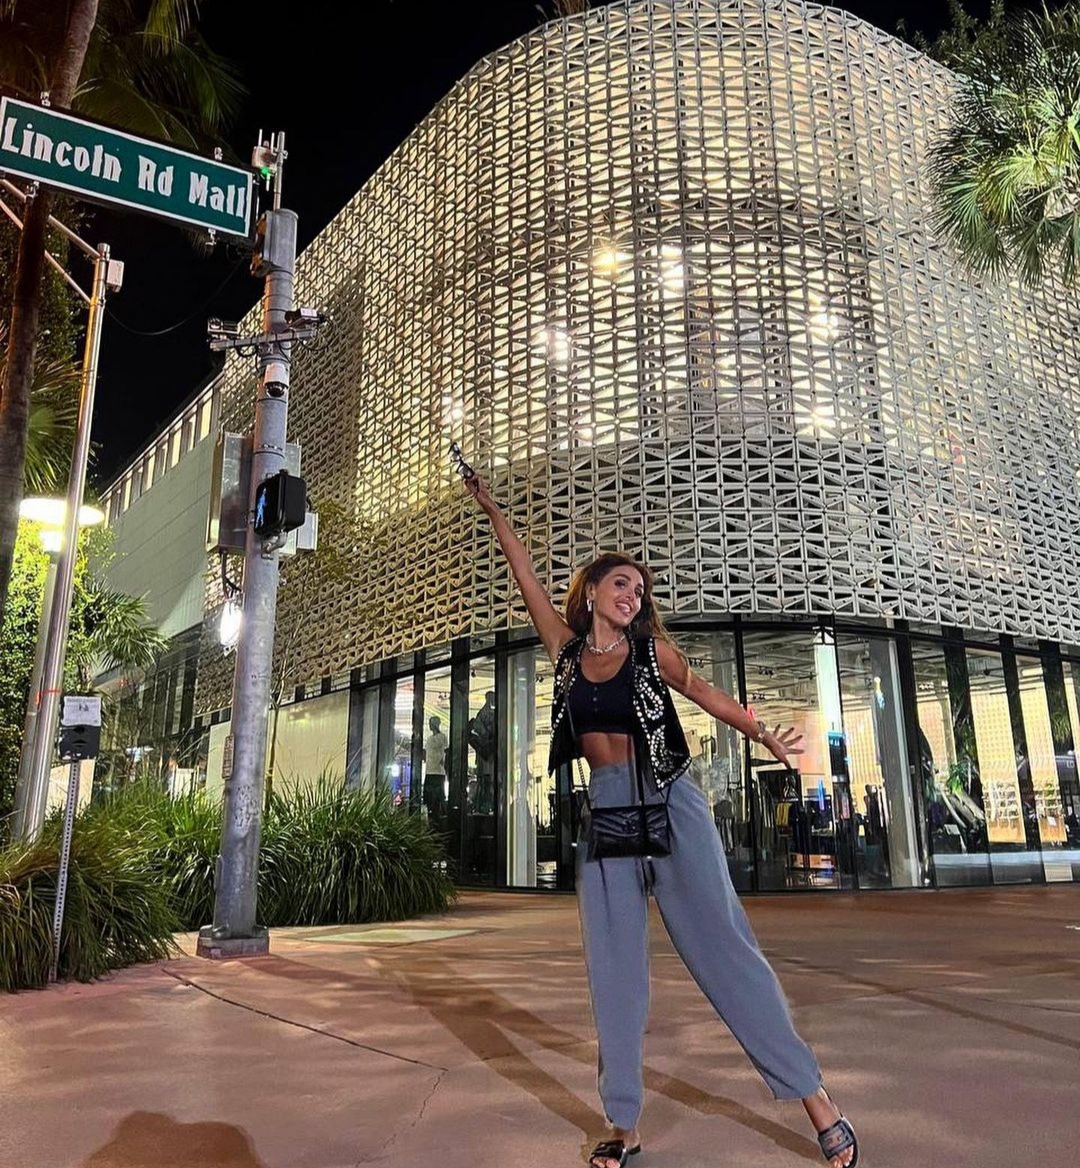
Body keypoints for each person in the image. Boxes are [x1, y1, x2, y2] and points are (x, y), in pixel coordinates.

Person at [465, 471, 858, 1168]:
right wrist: (494, 510)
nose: (633, 595)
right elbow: (523, 572)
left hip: (671, 801)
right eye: (622, 584)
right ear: (592, 591)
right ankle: (624, 1126)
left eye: (640, 590)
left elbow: (706, 694)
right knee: (614, 972)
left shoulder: (652, 653)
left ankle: (814, 1097)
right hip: (608, 816)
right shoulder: (564, 652)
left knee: (725, 949)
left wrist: (762, 733)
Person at [423, 715, 449, 831]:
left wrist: (444, 764)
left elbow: (446, 751)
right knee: (429, 800)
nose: (430, 725)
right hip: (429, 772)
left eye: (431, 723)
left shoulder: (442, 737)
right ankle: (431, 824)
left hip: (438, 773)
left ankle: (438, 825)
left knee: (437, 800)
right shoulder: (429, 739)